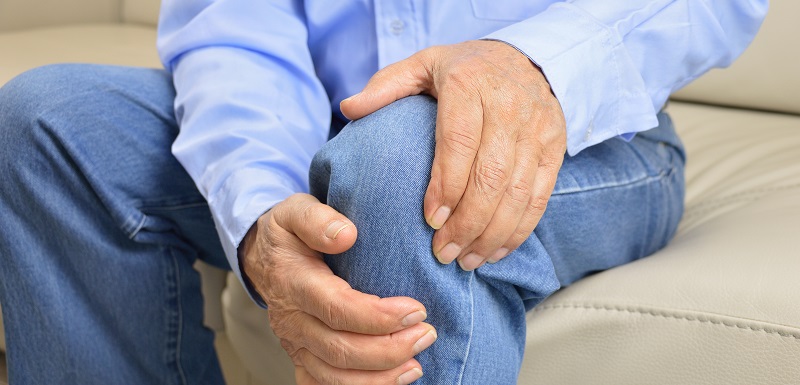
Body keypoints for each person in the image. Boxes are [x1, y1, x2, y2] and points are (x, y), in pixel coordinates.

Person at [0, 1, 766, 384]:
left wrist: (533, 66)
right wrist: (262, 206)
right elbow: (233, 24)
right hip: (327, 127)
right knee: (50, 124)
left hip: (588, 133)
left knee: (405, 164)